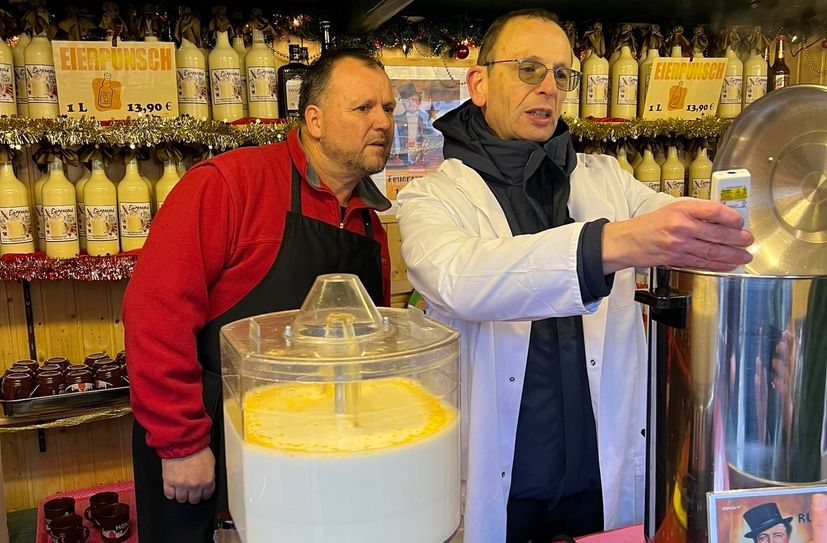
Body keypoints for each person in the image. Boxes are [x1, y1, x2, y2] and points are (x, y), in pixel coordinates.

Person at [395, 9, 753, 543]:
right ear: (479, 84)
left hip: (600, 482)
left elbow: (687, 226)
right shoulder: (433, 196)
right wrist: (609, 245)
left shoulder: (608, 181)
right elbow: (459, 277)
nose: (548, 87)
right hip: (500, 484)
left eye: (562, 74)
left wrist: (755, 209)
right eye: (529, 69)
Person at [123, 48, 396, 542]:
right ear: (314, 120)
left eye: (389, 108)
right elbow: (155, 314)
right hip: (210, 439)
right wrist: (182, 443)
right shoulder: (229, 184)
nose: (382, 122)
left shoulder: (369, 225)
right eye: (363, 108)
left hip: (315, 452)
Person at [393, 82, 432, 164]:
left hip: (424, 162)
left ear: (419, 102)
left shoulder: (428, 118)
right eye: (407, 101)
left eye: (413, 100)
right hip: (402, 162)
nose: (410, 103)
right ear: (403, 103)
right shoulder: (396, 120)